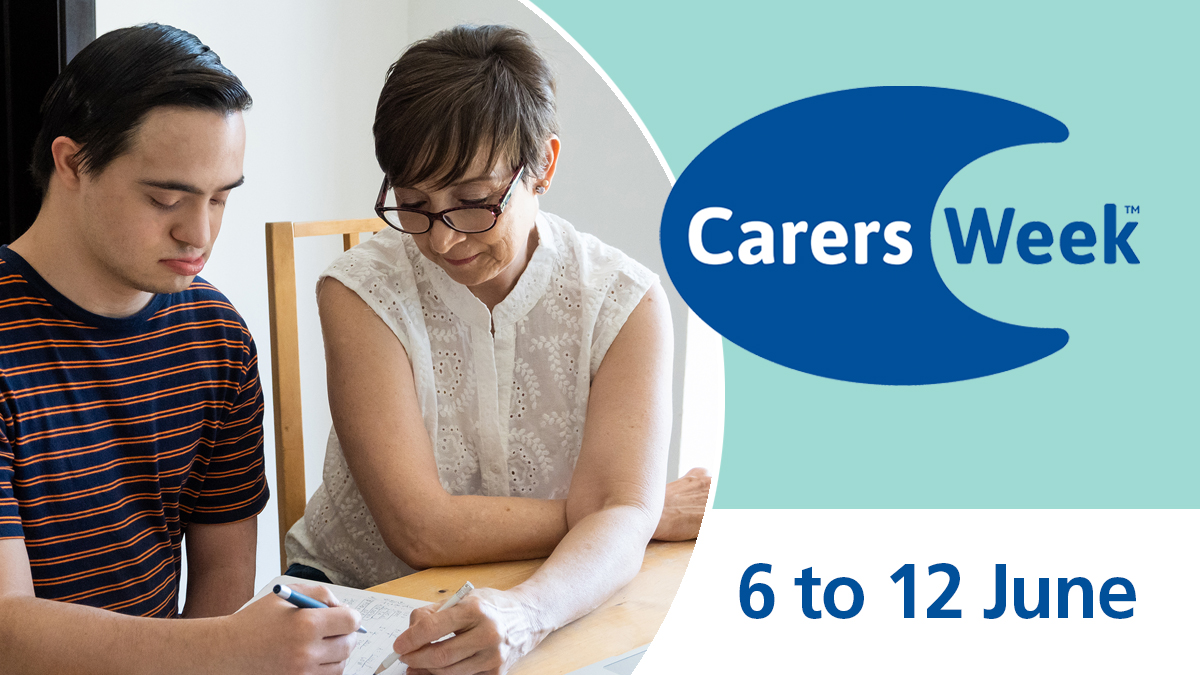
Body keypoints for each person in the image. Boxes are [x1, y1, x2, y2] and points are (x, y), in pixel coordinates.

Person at [284, 24, 711, 673]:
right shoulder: (359, 290)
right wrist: (624, 513)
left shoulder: (625, 301)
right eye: (414, 203)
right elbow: (418, 528)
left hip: (542, 581)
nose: (445, 239)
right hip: (354, 595)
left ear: (543, 165)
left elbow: (617, 513)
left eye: (475, 203)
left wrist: (532, 605)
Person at [0, 23, 360, 675]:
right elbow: (6, 629)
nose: (198, 232)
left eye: (220, 198)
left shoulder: (216, 335)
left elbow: (222, 579)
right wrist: (228, 647)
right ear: (72, 163)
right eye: (166, 197)